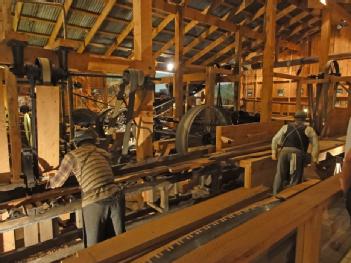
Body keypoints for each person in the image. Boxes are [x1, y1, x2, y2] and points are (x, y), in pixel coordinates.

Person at [49, 128, 125, 247]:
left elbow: (57, 182)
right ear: (93, 141)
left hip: (96, 201)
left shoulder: (72, 156)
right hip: (116, 196)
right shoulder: (102, 152)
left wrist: (49, 182)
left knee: (93, 247)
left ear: (76, 143)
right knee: (120, 241)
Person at [271, 111, 319, 194]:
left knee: (280, 174)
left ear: (295, 119)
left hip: (283, 152)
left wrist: (273, 152)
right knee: (295, 177)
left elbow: (275, 139)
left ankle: (275, 194)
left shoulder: (285, 127)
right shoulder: (308, 129)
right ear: (305, 119)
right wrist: (314, 158)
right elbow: (315, 145)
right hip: (296, 154)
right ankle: (291, 196)